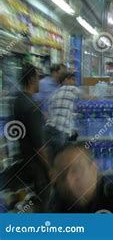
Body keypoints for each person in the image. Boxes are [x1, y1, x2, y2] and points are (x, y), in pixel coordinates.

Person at [49, 143, 113, 213]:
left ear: (94, 169)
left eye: (76, 170)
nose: (69, 182)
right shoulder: (57, 202)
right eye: (62, 175)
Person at [13, 63, 50, 210]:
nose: (40, 82)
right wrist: (50, 168)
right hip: (37, 165)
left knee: (33, 200)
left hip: (25, 158)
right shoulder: (32, 106)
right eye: (38, 78)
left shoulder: (19, 100)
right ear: (31, 80)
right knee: (44, 201)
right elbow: (39, 146)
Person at [45, 72, 85, 157]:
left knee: (53, 158)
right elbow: (85, 96)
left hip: (49, 129)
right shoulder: (70, 89)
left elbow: (48, 112)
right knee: (62, 157)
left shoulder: (54, 93)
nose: (74, 82)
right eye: (72, 80)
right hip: (60, 130)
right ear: (65, 80)